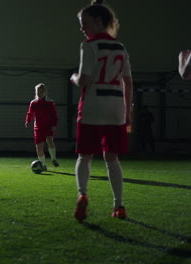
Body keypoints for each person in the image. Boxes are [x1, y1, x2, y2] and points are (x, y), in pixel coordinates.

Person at [70, 0, 133, 221]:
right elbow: (128, 82)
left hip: (93, 106)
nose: (82, 28)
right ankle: (119, 206)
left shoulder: (88, 46)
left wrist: (74, 77)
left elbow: (85, 80)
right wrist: (128, 113)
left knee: (84, 156)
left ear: (98, 21)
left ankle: (82, 195)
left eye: (85, 23)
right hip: (116, 108)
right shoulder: (121, 47)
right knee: (112, 158)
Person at [25, 83, 59, 170]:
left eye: (41, 91)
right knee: (38, 147)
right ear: (36, 92)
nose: (40, 93)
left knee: (49, 140)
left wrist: (54, 125)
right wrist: (28, 121)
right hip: (38, 127)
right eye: (38, 91)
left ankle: (53, 159)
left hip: (48, 126)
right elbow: (30, 113)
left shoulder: (50, 103)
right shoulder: (34, 103)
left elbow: (54, 115)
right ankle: (43, 165)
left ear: (45, 92)